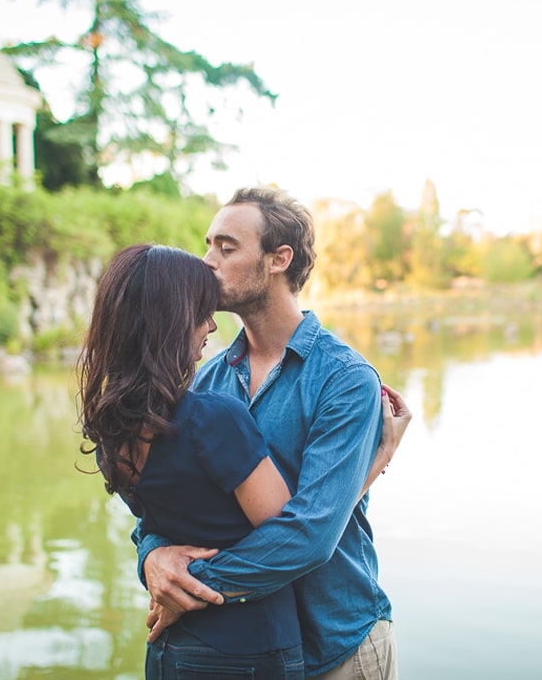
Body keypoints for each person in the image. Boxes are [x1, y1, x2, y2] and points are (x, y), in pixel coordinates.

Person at [79, 243, 407, 679]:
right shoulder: (206, 390)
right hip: (248, 648)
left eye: (226, 246)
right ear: (171, 321)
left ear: (278, 259)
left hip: (331, 637)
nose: (209, 259)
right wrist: (154, 557)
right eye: (208, 244)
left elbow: (303, 530)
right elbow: (295, 528)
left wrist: (184, 583)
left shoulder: (343, 377)